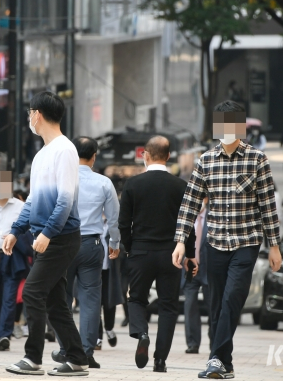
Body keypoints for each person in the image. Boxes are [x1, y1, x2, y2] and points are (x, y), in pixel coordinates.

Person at [175, 100, 282, 379]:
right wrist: (179, 242)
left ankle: (214, 360)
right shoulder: (206, 160)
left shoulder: (257, 159)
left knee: (233, 298)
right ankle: (225, 363)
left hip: (246, 241)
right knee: (216, 304)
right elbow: (190, 203)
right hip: (215, 243)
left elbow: (268, 205)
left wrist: (275, 246)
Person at [2, 91, 89, 376]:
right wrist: (17, 230)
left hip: (60, 237)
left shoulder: (65, 150)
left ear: (37, 114)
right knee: (54, 303)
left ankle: (33, 358)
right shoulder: (42, 155)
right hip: (48, 236)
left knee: (32, 293)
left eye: (29, 113)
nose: (29, 118)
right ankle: (77, 358)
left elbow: (65, 201)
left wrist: (48, 233)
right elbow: (32, 201)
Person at [119, 136, 197, 373]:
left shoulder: (132, 185)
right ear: (169, 156)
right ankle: (160, 360)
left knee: (136, 299)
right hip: (171, 254)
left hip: (140, 251)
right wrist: (190, 254)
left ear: (146, 155)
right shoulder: (180, 186)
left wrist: (130, 248)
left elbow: (123, 223)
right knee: (168, 306)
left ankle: (142, 332)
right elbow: (189, 224)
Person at [52, 136, 120, 369]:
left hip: (63, 245)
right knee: (91, 299)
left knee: (62, 298)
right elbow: (113, 219)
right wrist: (115, 244)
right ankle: (87, 351)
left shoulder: (60, 179)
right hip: (92, 244)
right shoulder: (104, 183)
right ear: (94, 157)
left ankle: (65, 349)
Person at [0, 179, 27, 351]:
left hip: (13, 255)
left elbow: (28, 229)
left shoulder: (20, 206)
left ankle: (4, 335)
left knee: (9, 297)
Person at [184, 198, 208, 354]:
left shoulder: (213, 217)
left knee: (213, 306)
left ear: (205, 200)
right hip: (190, 268)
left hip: (209, 269)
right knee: (190, 305)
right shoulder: (186, 218)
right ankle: (193, 343)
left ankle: (215, 340)